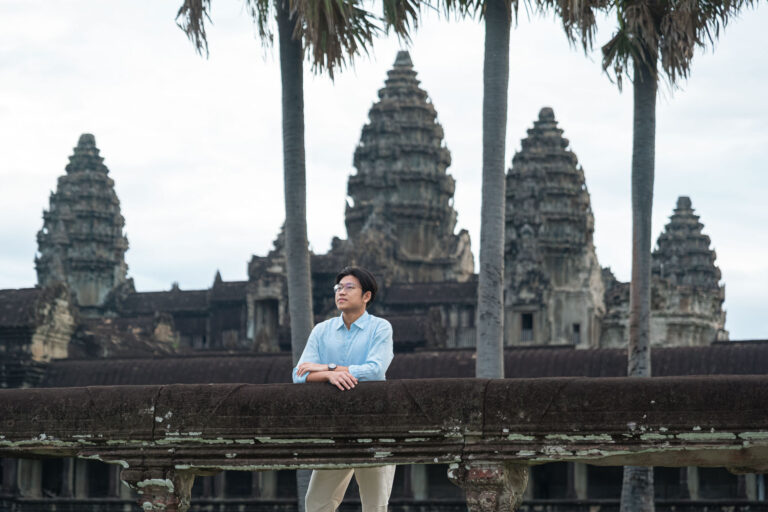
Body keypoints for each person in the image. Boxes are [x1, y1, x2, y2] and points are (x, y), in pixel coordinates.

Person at [292, 266, 395, 512]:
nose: (341, 292)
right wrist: (328, 373)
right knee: (317, 503)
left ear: (366, 296)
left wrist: (329, 368)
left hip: (375, 425)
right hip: (335, 425)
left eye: (349, 288)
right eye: (338, 288)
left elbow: (375, 369)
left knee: (375, 505)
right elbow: (299, 374)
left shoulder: (380, 328)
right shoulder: (321, 331)